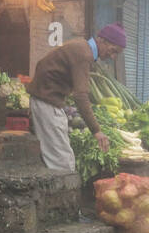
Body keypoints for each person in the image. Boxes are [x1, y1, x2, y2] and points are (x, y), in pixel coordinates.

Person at [26, 23, 126, 172]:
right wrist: (96, 131)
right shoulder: (83, 54)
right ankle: (61, 195)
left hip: (48, 101)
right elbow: (81, 95)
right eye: (113, 51)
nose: (112, 57)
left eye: (116, 54)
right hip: (47, 103)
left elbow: (42, 64)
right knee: (63, 163)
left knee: (58, 158)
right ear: (102, 40)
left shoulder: (81, 46)